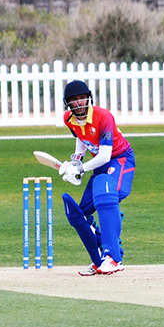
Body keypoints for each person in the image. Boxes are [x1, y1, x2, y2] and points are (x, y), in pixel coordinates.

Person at [56, 80, 136, 276]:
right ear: (68, 103)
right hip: (99, 165)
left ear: (89, 98)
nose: (79, 103)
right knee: (81, 214)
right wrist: (76, 160)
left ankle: (114, 258)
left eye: (82, 98)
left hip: (120, 159)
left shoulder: (103, 117)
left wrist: (81, 169)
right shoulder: (68, 119)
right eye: (74, 100)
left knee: (105, 196)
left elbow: (105, 156)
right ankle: (100, 259)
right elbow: (80, 137)